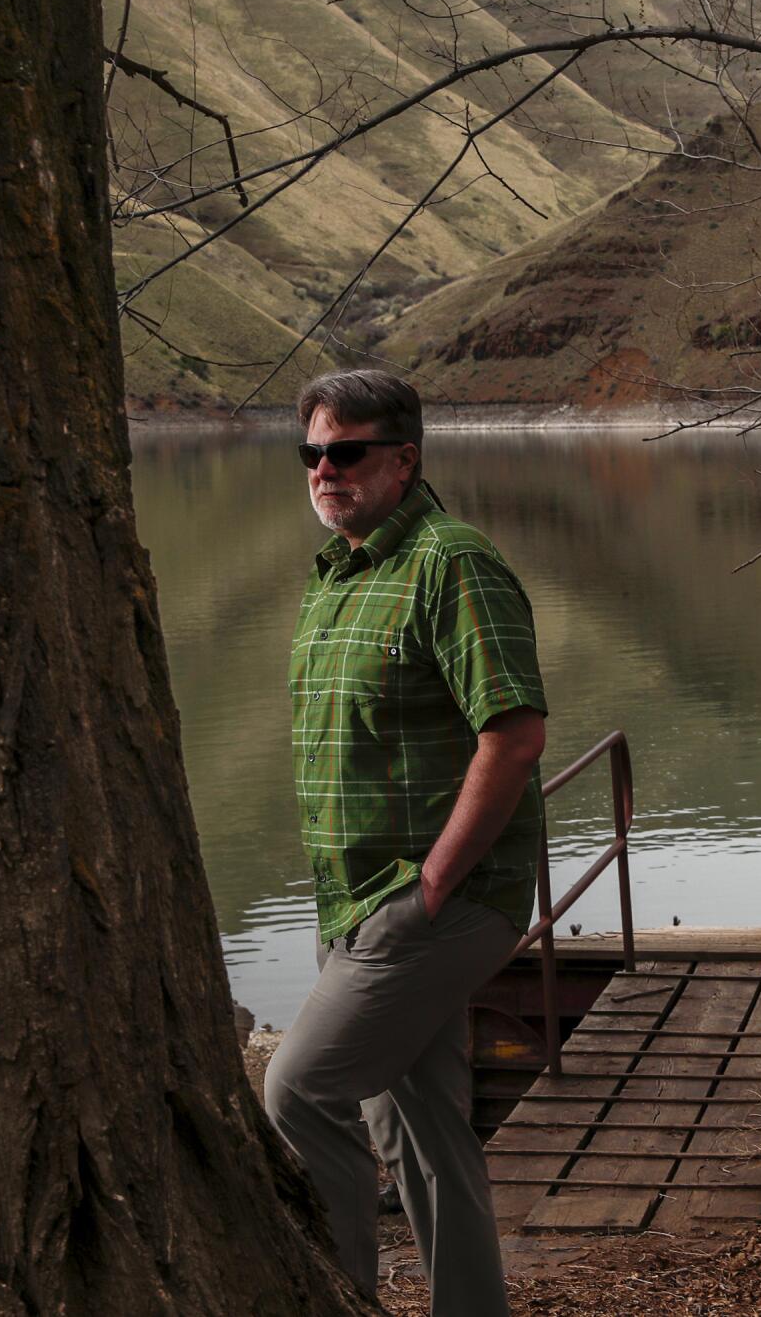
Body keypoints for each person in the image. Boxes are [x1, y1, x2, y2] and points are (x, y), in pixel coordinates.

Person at [264, 369, 544, 1316]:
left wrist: (432, 885)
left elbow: (513, 733)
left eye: (348, 451)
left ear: (405, 458)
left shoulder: (451, 562)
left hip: (434, 899)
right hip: (351, 899)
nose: (325, 469)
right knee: (419, 1125)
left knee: (299, 1093)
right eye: (312, 452)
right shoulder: (336, 576)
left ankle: (342, 1299)